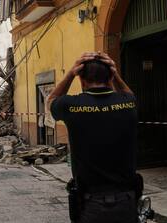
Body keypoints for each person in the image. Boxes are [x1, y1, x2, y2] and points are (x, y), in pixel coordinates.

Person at [47, 52, 138, 223]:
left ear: (81, 80)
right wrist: (116, 74)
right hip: (126, 201)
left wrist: (70, 74)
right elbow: (129, 94)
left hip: (91, 203)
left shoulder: (71, 105)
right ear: (110, 77)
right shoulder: (128, 103)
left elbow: (51, 99)